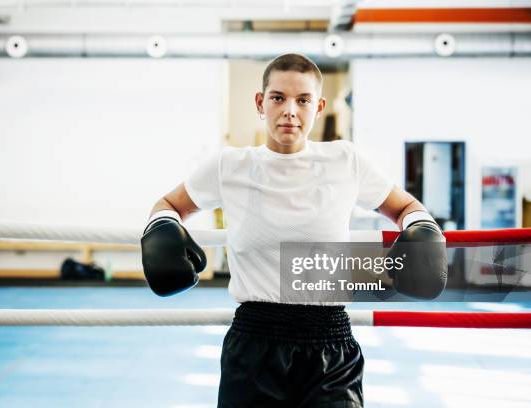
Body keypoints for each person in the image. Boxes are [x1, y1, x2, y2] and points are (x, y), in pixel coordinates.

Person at [141, 53, 447, 407]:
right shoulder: (230, 165)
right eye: (278, 98)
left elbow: (407, 207)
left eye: (302, 100)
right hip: (254, 340)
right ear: (261, 102)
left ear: (317, 108)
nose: (290, 110)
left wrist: (421, 228)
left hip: (330, 343)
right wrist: (162, 228)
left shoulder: (346, 161)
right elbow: (168, 204)